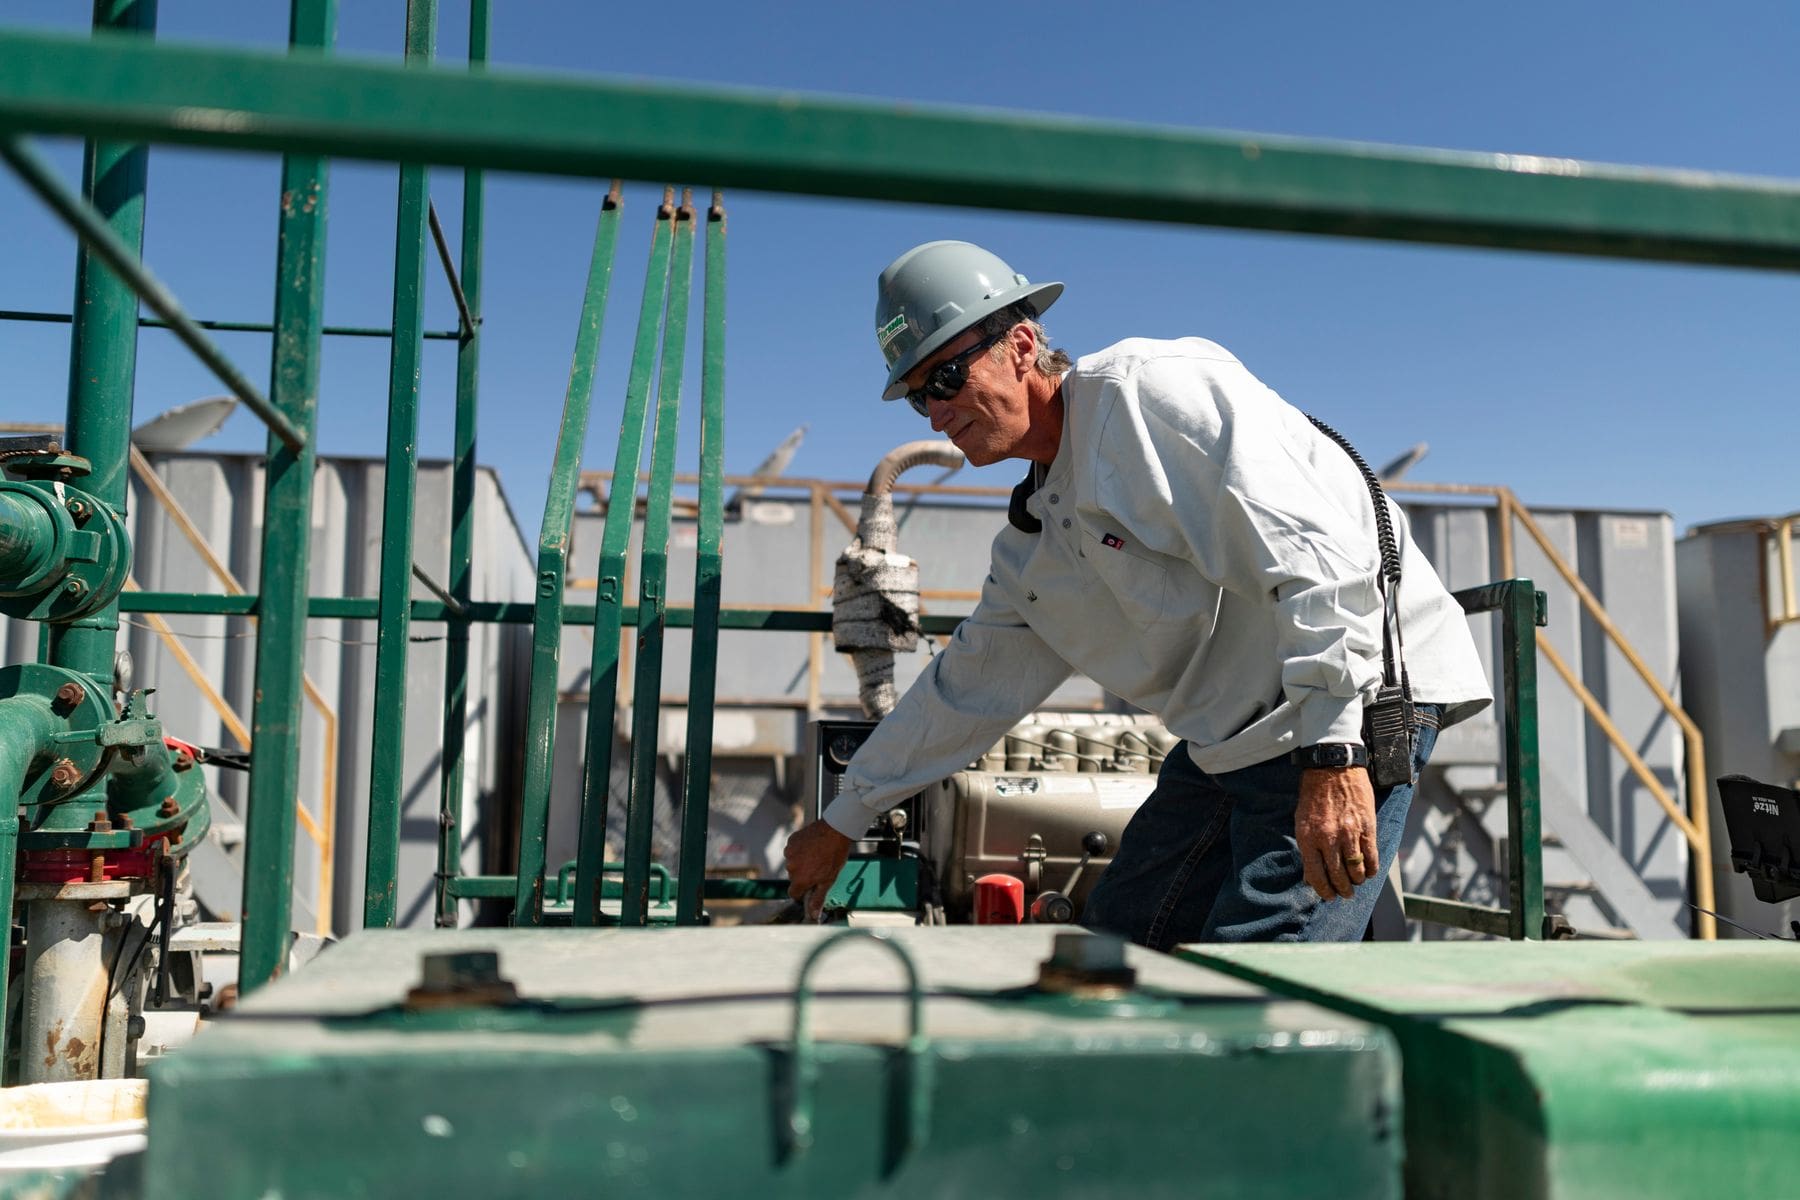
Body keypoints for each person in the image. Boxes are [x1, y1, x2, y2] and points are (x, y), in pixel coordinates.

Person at [784, 241, 1492, 945]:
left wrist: (1335, 755)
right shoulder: (1037, 543)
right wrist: (843, 820)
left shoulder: (1147, 398)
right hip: (1230, 740)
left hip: (1351, 699)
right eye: (918, 399)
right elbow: (966, 687)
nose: (937, 414)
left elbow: (1317, 555)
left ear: (1022, 345)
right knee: (1113, 948)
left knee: (1261, 973)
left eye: (946, 378)